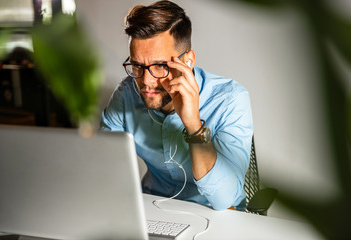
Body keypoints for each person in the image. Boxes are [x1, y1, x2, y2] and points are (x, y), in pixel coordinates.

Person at [100, 0, 253, 211]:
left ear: (187, 61)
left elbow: (225, 199)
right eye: (137, 66)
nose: (146, 81)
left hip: (213, 214)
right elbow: (100, 164)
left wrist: (193, 126)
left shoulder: (230, 99)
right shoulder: (127, 94)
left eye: (160, 66)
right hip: (150, 209)